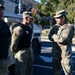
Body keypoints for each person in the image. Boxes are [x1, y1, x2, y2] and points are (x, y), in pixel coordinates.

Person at [48, 10, 74, 75]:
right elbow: (49, 36)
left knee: (68, 72)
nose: (56, 19)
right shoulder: (55, 27)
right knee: (56, 71)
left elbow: (63, 39)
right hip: (56, 53)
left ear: (63, 18)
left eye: (58, 18)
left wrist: (54, 36)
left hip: (65, 55)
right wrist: (55, 37)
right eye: (55, 18)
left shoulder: (69, 27)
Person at [0, 4, 11, 75]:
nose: (1, 12)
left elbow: (9, 40)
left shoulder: (4, 25)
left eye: (1, 10)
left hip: (2, 60)